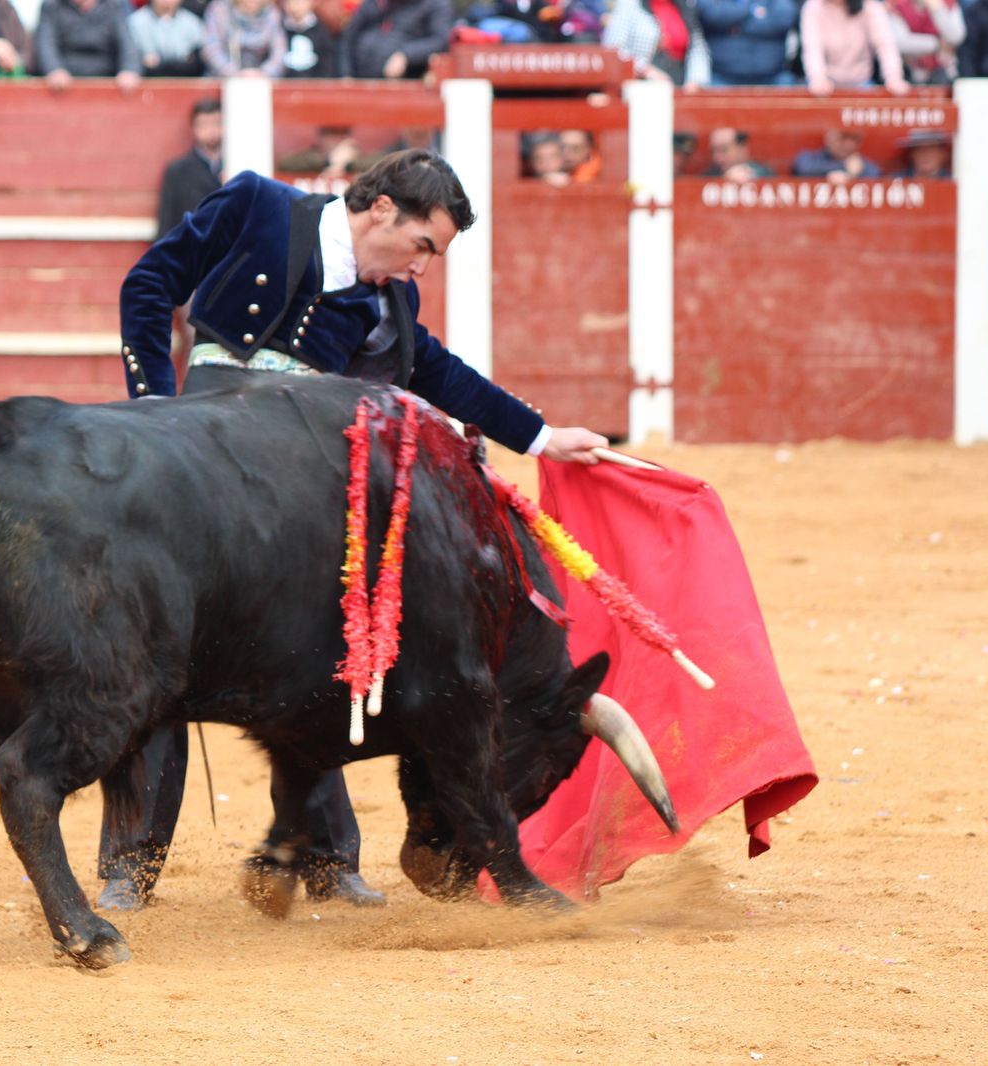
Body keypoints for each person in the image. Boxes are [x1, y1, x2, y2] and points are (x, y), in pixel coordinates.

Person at [109, 149, 611, 911]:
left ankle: (324, 857)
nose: (421, 270)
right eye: (422, 248)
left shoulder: (391, 302)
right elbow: (148, 286)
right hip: (201, 461)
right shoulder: (255, 207)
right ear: (382, 211)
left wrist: (540, 437)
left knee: (330, 649)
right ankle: (132, 866)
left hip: (300, 500)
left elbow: (439, 373)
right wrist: (151, 415)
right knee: (160, 649)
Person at [800, 0, 909, 95]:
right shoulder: (813, 7)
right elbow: (812, 49)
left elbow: (885, 46)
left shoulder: (869, 7)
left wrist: (894, 78)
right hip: (826, 86)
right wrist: (817, 78)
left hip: (862, 84)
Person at [601, 0, 712, 89]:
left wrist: (694, 82)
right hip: (641, 86)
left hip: (680, 82)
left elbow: (698, 47)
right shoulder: (629, 4)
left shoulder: (684, 5)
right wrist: (646, 70)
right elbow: (613, 50)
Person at [156, 98, 223, 239]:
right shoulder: (177, 171)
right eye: (204, 124)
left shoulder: (237, 165)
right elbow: (166, 223)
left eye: (216, 123)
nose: (211, 130)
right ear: (194, 129)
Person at [34, 0, 141, 88]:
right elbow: (45, 43)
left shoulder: (113, 6)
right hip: (65, 81)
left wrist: (129, 70)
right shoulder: (52, 6)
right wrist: (54, 69)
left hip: (107, 80)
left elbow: (127, 43)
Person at [338, 0, 451, 79]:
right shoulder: (376, 3)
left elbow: (441, 40)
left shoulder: (435, 4)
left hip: (403, 84)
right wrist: (346, 75)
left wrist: (406, 55)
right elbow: (348, 37)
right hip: (358, 81)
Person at [696, 0, 797, 84]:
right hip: (723, 77)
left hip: (774, 76)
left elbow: (785, 18)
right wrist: (752, 9)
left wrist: (736, 28)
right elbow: (712, 16)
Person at [201, 0, 285, 76]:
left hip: (261, 82)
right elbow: (211, 48)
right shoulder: (219, 10)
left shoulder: (272, 13)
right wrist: (233, 73)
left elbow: (279, 52)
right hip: (221, 80)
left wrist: (264, 73)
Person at [888, 0, 962, 84]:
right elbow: (899, 43)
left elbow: (955, 37)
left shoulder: (948, 3)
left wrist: (938, 9)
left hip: (944, 71)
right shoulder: (895, 4)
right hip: (908, 72)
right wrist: (937, 44)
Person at [126, 0, 203, 76]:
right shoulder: (135, 21)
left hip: (186, 80)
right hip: (147, 80)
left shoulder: (192, 22)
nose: (166, 1)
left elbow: (196, 60)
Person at [791, 127, 881, 182]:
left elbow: (875, 174)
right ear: (829, 137)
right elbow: (803, 168)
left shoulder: (863, 165)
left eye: (855, 139)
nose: (849, 145)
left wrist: (850, 176)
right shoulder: (809, 158)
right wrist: (844, 168)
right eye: (843, 137)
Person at [279, 0, 334, 75]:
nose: (294, 6)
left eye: (298, 2)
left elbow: (327, 63)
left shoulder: (321, 31)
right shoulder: (279, 30)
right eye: (289, 2)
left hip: (315, 84)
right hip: (284, 84)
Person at [704, 126, 774, 180]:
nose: (717, 158)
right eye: (713, 151)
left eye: (724, 150)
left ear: (741, 148)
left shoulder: (765, 174)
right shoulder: (709, 176)